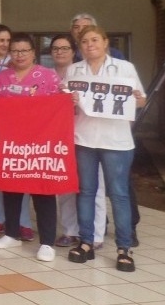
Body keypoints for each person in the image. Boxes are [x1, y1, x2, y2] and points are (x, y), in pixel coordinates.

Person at [66, 25, 145, 272]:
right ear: (80, 47)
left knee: (119, 194)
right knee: (86, 191)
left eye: (94, 40)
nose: (90, 45)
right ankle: (86, 242)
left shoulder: (124, 68)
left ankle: (124, 248)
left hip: (116, 141)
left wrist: (134, 97)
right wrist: (68, 99)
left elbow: (142, 100)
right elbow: (62, 99)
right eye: (85, 42)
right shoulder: (74, 70)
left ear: (105, 41)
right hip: (85, 138)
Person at [0, 33, 61, 263]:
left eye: (24, 51)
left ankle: (47, 243)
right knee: (11, 189)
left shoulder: (49, 77)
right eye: (15, 51)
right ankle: (12, 233)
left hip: (41, 145)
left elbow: (58, 110)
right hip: (11, 143)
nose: (19, 55)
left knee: (43, 192)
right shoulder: (1, 79)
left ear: (33, 53)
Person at [50, 34, 106, 249]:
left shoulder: (84, 71)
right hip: (60, 136)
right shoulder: (46, 76)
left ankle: (97, 234)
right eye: (55, 48)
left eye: (65, 48)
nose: (60, 52)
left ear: (73, 51)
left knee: (94, 185)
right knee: (64, 185)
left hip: (90, 134)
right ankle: (70, 231)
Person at [0, 21, 32, 238]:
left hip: (22, 127)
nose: (5, 44)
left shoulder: (18, 63)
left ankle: (23, 221)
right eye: (1, 40)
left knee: (21, 173)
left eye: (8, 40)